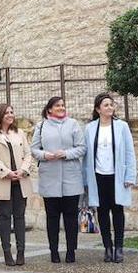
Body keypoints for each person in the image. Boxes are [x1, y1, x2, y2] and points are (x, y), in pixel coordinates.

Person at [31, 96, 86, 263]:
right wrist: (45, 155)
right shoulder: (41, 126)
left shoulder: (73, 124)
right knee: (52, 218)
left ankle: (71, 251)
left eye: (63, 105)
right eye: (57, 106)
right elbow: (34, 150)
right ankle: (53, 251)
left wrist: (66, 154)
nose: (61, 108)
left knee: (70, 218)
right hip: (50, 179)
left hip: (71, 178)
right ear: (49, 109)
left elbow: (82, 148)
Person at [83, 93, 136, 263]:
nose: (110, 108)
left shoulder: (122, 126)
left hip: (117, 176)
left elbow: (129, 152)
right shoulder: (90, 128)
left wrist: (130, 176)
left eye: (111, 105)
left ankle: (119, 248)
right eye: (106, 105)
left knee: (118, 211)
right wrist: (85, 180)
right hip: (98, 176)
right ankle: (107, 247)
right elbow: (86, 156)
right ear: (98, 109)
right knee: (103, 212)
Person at [0, 103, 33, 266]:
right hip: (3, 181)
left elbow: (28, 154)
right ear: (0, 115)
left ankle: (21, 252)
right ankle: (7, 253)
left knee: (20, 217)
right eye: (6, 112)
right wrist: (6, 172)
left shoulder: (19, 133)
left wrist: (23, 170)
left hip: (20, 180)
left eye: (12, 112)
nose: (10, 115)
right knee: (5, 217)